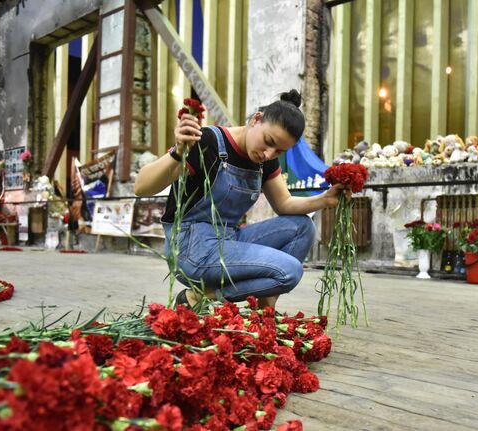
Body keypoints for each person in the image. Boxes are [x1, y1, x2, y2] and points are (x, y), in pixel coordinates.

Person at [134, 90, 348, 310]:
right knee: (289, 271)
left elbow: (284, 204)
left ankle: (262, 304)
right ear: (256, 120)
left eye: (279, 151)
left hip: (230, 239)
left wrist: (324, 199)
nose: (269, 154)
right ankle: (204, 296)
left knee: (303, 227)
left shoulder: (265, 160)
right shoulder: (207, 141)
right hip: (191, 248)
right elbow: (141, 187)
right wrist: (178, 152)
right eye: (268, 142)